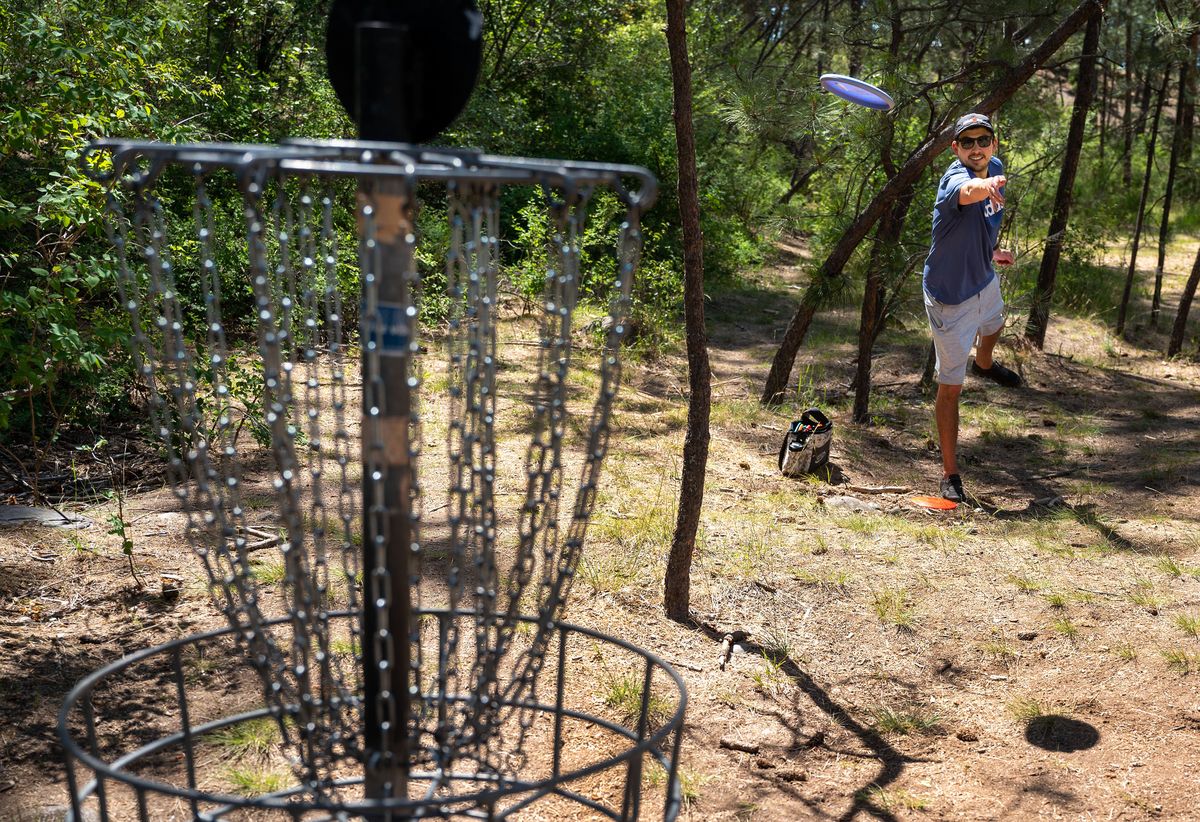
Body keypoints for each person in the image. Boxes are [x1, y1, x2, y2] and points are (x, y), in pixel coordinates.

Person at [922, 112, 1022, 504]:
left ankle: (984, 362)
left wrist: (991, 252)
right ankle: (950, 475)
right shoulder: (956, 180)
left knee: (996, 322)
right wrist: (988, 184)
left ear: (994, 144)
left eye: (983, 140)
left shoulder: (993, 165)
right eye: (968, 143)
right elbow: (967, 195)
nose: (977, 148)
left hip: (983, 277)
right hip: (950, 297)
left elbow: (982, 221)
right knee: (950, 387)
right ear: (956, 149)